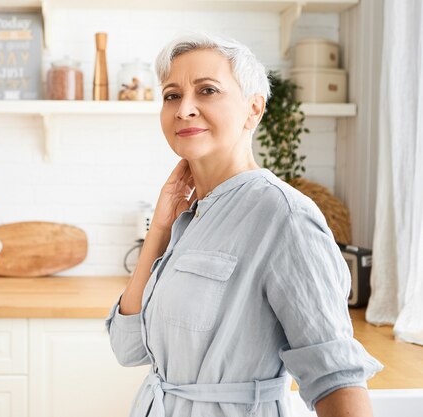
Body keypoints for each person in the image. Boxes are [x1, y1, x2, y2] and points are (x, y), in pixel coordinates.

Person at [104, 33, 383, 417]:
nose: (184, 108)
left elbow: (337, 380)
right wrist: (159, 231)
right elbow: (128, 347)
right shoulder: (190, 217)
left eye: (207, 91)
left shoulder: (284, 216)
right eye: (172, 95)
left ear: (253, 109)